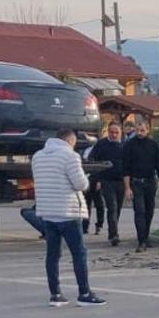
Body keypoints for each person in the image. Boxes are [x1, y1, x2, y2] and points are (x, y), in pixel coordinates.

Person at [32, 129, 105, 307]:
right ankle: (84, 292)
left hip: (48, 212)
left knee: (52, 254)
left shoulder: (37, 156)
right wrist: (87, 179)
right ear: (70, 140)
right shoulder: (70, 156)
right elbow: (80, 183)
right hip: (68, 212)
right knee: (78, 253)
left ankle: (55, 294)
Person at [123, 121, 159, 252]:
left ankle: (146, 236)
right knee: (139, 211)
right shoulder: (129, 145)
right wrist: (127, 188)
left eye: (142, 130)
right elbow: (125, 168)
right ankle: (141, 240)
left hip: (150, 182)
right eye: (137, 130)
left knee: (149, 210)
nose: (139, 133)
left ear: (148, 130)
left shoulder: (153, 145)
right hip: (136, 182)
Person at [90, 122, 125, 246]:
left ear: (121, 133)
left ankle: (113, 228)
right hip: (106, 180)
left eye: (116, 132)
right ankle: (113, 235)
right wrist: (97, 179)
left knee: (118, 208)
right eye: (112, 132)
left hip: (121, 181)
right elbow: (93, 161)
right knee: (112, 207)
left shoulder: (125, 145)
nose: (114, 135)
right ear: (108, 132)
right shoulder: (101, 144)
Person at [81, 143, 105, 235]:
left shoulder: (98, 150)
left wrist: (99, 180)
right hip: (85, 178)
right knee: (86, 204)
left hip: (95, 179)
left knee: (99, 204)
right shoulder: (84, 150)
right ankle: (85, 226)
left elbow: (100, 165)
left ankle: (99, 224)